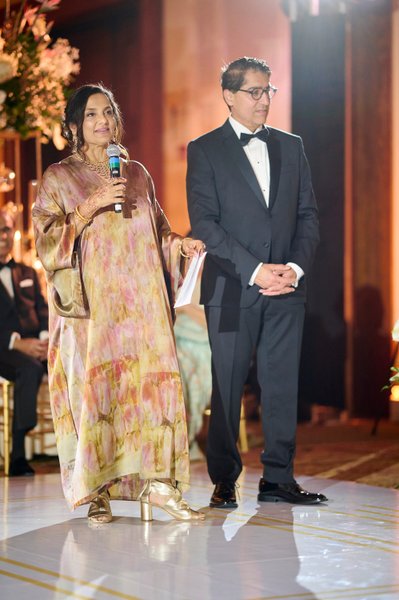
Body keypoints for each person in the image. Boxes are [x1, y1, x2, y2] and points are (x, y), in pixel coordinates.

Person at [32, 83, 205, 524]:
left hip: (143, 308)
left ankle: (160, 485)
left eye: (107, 112)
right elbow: (45, 243)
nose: (101, 121)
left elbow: (158, 231)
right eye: (90, 115)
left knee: (153, 389)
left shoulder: (138, 174)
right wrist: (88, 207)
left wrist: (178, 246)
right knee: (98, 396)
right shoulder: (59, 177)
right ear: (73, 125)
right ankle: (98, 491)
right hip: (93, 312)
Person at [186, 57, 327, 507]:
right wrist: (255, 269)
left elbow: (308, 217)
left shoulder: (292, 145)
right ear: (228, 95)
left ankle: (278, 478)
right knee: (227, 386)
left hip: (286, 287)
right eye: (255, 91)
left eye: (269, 91)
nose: (264, 99)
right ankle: (224, 479)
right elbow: (206, 225)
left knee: (282, 383)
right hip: (231, 287)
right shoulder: (204, 149)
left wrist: (295, 270)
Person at [0, 207, 48, 476]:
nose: (2, 235)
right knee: (29, 368)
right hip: (4, 350)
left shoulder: (28, 272)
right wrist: (16, 343)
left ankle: (82, 449)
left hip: (37, 346)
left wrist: (44, 340)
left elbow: (42, 308)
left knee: (73, 362)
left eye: (6, 229)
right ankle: (17, 454)